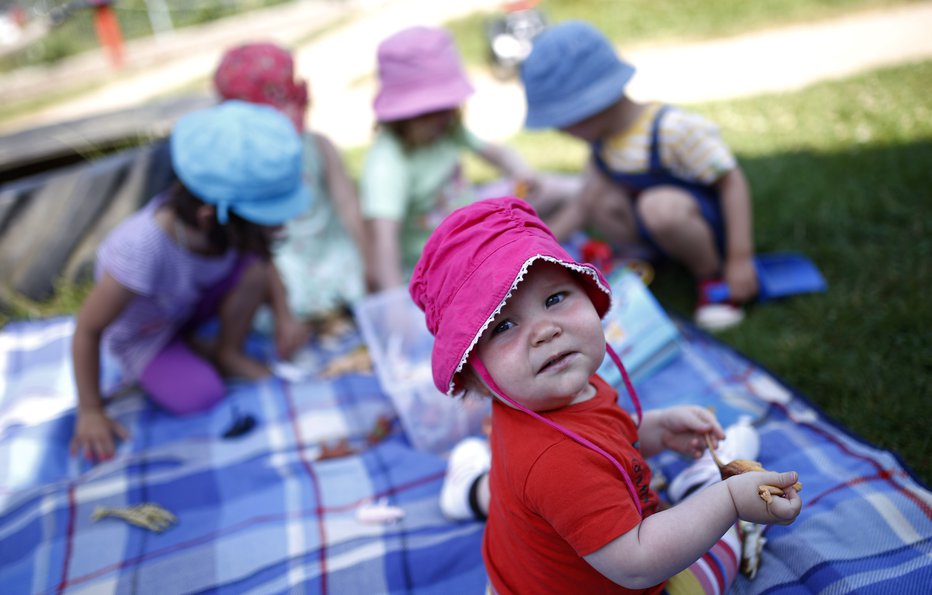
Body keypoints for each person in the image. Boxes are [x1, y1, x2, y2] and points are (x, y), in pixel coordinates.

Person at [409, 197, 802, 593]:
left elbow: (601, 437)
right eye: (504, 325)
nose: (544, 331)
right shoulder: (558, 462)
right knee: (712, 552)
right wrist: (731, 502)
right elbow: (639, 563)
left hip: (518, 578)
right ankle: (704, 485)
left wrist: (653, 429)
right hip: (624, 571)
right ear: (475, 375)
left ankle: (474, 487)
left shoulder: (542, 395)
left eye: (555, 298)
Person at [70, 101, 310, 462]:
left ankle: (227, 353)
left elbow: (263, 260)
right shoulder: (141, 248)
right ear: (208, 216)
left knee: (256, 264)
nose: (280, 227)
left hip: (190, 304)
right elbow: (87, 329)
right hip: (147, 334)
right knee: (200, 395)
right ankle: (201, 351)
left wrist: (284, 313)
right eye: (269, 218)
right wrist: (90, 410)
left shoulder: (232, 229)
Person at [520, 21, 759, 331]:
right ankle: (646, 261)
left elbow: (732, 182)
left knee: (660, 206)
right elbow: (582, 205)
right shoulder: (603, 141)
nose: (559, 131)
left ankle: (711, 277)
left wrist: (739, 258)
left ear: (590, 107)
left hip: (703, 227)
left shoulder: (673, 129)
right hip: (654, 232)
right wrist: (531, 251)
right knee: (598, 196)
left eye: (561, 121)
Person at [361, 25, 578, 292]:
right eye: (433, 111)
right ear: (404, 116)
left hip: (474, 221)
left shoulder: (444, 129)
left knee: (553, 188)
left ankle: (595, 194)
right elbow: (385, 242)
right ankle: (541, 251)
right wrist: (395, 303)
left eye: (448, 107)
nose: (447, 115)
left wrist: (520, 170)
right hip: (444, 259)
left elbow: (497, 154)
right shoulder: (387, 164)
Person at [213, 42, 371, 334]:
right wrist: (284, 311)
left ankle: (330, 312)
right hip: (287, 259)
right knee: (281, 298)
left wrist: (369, 260)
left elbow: (348, 205)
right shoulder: (249, 166)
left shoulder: (318, 146)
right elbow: (260, 243)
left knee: (354, 284)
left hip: (330, 248)